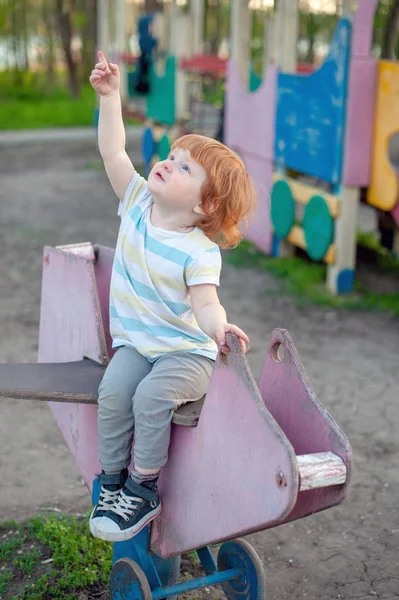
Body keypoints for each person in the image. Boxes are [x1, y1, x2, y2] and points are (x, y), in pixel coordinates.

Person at [88, 51, 257, 543]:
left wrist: (219, 327)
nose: (167, 162)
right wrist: (110, 97)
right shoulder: (138, 203)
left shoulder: (198, 250)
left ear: (205, 205)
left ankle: (143, 489)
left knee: (151, 397)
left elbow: (205, 304)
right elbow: (113, 153)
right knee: (114, 395)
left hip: (186, 353)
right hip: (139, 344)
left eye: (184, 167)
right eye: (172, 155)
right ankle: (113, 482)